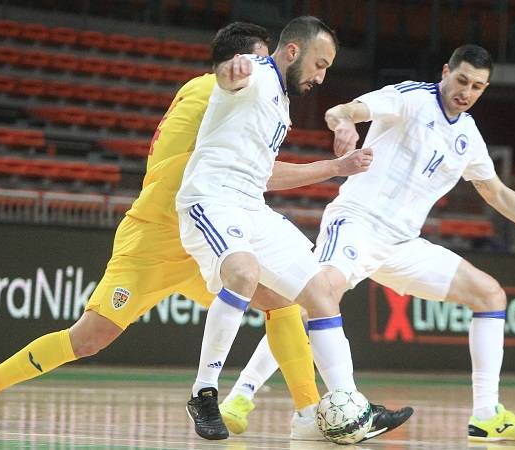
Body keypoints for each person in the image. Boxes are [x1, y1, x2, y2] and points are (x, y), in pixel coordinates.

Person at [0, 21, 409, 441]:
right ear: (252, 59)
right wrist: (235, 79)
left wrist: (334, 167)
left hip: (216, 231)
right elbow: (200, 142)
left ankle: (309, 413)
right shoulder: (218, 87)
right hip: (158, 235)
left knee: (282, 301)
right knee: (89, 337)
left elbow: (259, 173)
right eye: (254, 61)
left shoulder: (261, 106)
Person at [317, 44, 515, 442]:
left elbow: (497, 193)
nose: (467, 91)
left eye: (478, 86)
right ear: (446, 71)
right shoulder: (410, 98)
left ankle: (486, 415)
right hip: (356, 223)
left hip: (403, 245)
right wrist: (343, 124)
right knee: (317, 294)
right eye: (462, 80)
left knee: (490, 294)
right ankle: (250, 396)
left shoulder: (468, 135)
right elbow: (342, 110)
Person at [176, 16, 412, 442]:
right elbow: (230, 77)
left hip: (250, 205)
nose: (321, 76)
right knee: (244, 273)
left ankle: (350, 404)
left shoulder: (282, 105)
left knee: (320, 291)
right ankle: (204, 393)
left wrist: (337, 168)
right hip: (209, 199)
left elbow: (266, 175)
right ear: (291, 52)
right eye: (319, 65)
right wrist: (231, 71)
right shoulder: (257, 74)